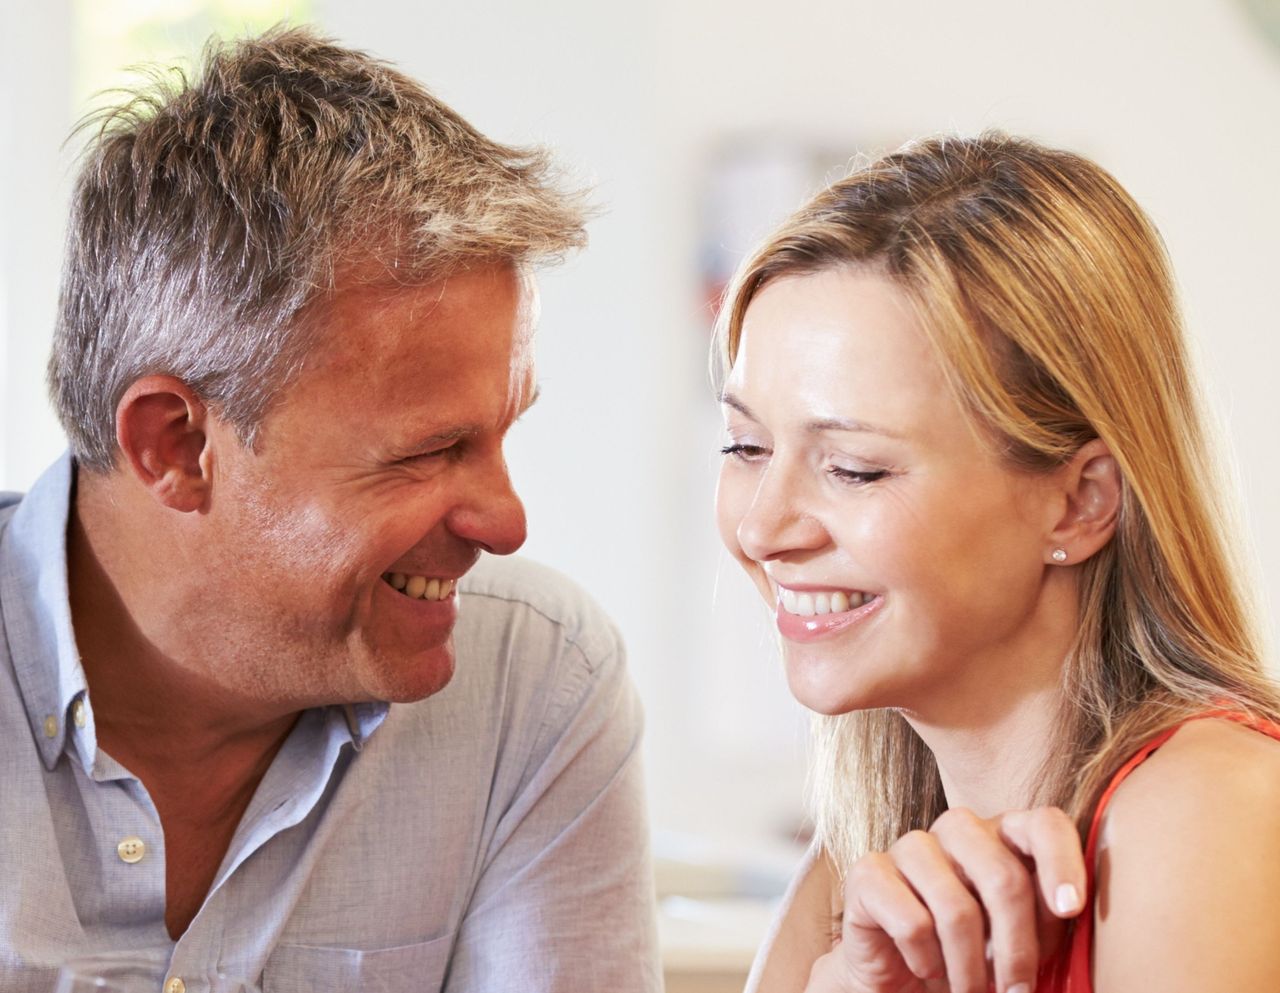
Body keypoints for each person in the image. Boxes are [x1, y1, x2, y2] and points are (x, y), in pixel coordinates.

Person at [0, 28, 659, 993]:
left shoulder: (536, 683)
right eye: (431, 450)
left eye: (499, 434)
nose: (507, 521)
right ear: (176, 446)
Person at [714, 133, 1280, 993]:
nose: (762, 527)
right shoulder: (856, 867)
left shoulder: (1206, 813)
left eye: (854, 467)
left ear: (1080, 501)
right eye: (746, 445)